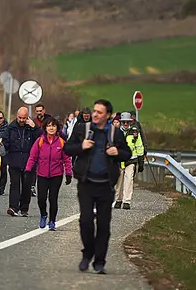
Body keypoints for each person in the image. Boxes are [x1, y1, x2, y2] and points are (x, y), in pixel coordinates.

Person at [64, 99, 131, 275]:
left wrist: (118, 153)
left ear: (107, 115)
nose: (95, 114)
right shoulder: (83, 129)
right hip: (86, 184)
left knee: (103, 225)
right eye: (94, 111)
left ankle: (99, 261)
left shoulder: (115, 133)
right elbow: (67, 149)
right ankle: (87, 254)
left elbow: (127, 153)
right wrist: (81, 146)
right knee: (85, 221)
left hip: (106, 186)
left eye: (99, 112)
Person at [25, 117, 72, 231]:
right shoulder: (40, 141)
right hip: (42, 174)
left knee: (53, 198)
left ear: (57, 128)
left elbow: (67, 159)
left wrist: (69, 173)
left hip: (56, 175)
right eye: (49, 126)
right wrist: (28, 170)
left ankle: (52, 221)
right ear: (45, 128)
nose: (51, 128)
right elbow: (33, 157)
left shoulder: (61, 142)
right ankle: (43, 214)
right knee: (41, 198)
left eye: (53, 126)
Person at [2, 107, 43, 217]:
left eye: (24, 118)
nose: (21, 120)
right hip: (14, 160)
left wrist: (34, 127)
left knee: (27, 186)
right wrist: (1, 147)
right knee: (15, 185)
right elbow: (5, 140)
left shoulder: (32, 127)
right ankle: (13, 207)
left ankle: (24, 209)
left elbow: (42, 138)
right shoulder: (11, 127)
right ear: (17, 116)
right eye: (20, 117)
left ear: (27, 117)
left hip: (29, 161)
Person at [114, 126, 146, 210]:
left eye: (127, 122)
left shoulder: (134, 132)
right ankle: (118, 200)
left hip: (131, 160)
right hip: (119, 161)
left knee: (129, 180)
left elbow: (139, 147)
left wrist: (141, 162)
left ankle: (126, 201)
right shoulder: (116, 132)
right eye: (124, 122)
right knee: (118, 181)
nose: (125, 124)